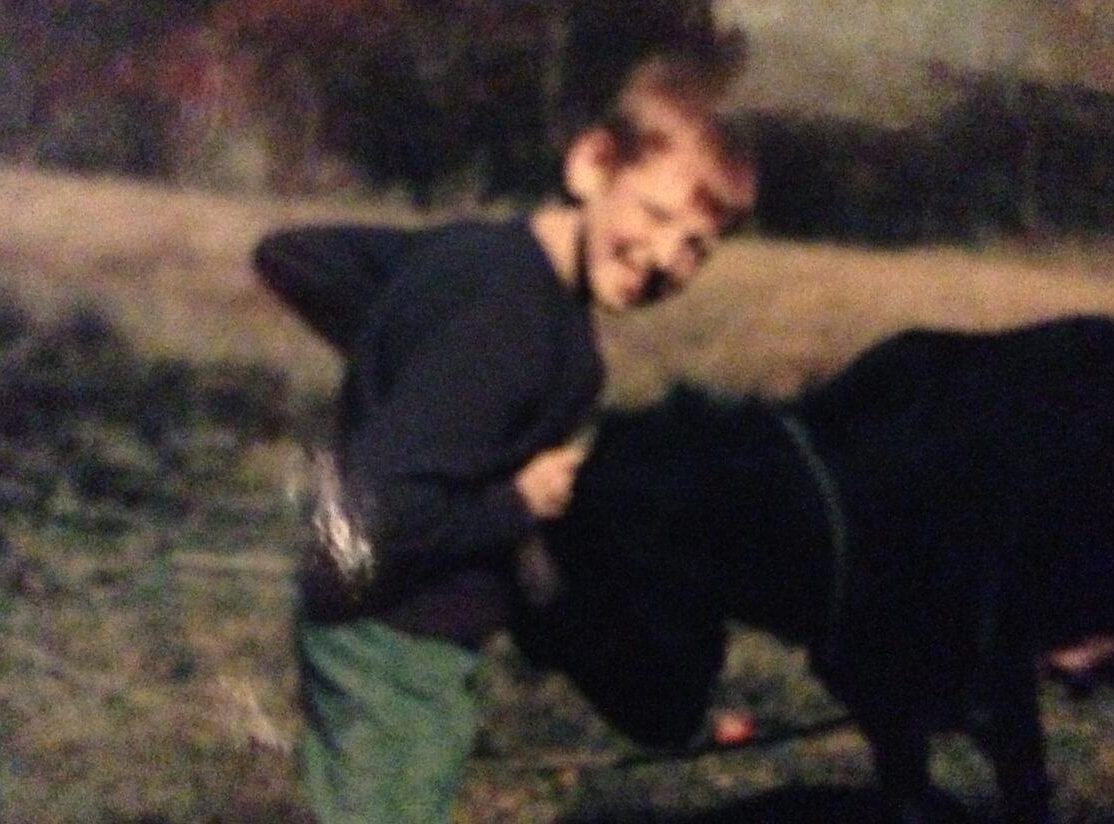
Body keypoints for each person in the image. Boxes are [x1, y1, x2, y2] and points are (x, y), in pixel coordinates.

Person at [254, 49, 756, 824]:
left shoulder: (492, 267)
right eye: (656, 215)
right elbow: (373, 513)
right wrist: (516, 500)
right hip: (389, 642)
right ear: (592, 164)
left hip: (402, 635)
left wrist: (409, 360)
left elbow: (303, 255)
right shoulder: (509, 318)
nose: (664, 258)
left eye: (696, 247)